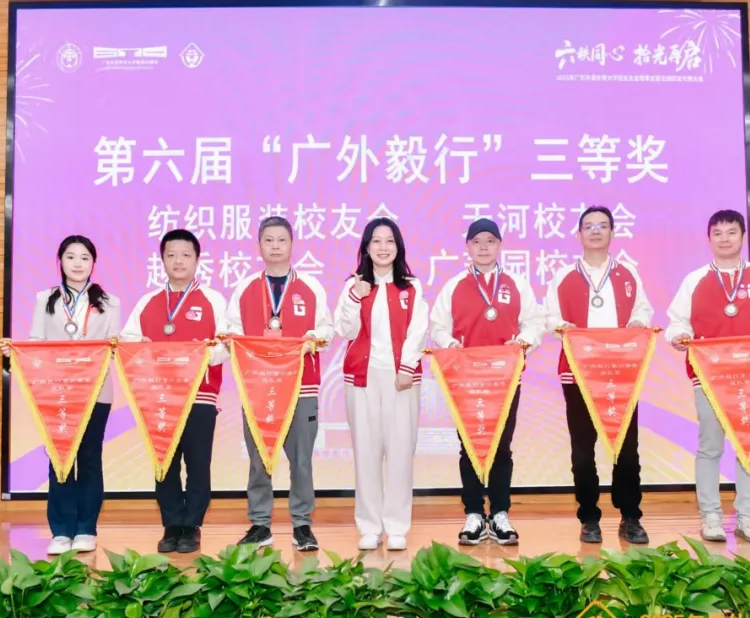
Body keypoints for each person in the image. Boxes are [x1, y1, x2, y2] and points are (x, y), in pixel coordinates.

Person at [666, 209, 750, 543]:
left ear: (743, 236)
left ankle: (746, 517)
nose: (725, 238)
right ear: (709, 239)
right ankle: (711, 516)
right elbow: (677, 321)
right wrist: (679, 336)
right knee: (710, 447)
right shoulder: (695, 279)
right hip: (708, 376)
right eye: (718, 233)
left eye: (731, 232)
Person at [0, 235, 121, 555]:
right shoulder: (45, 299)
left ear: (93, 263)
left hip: (96, 392)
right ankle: (62, 531)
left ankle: (86, 529)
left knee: (89, 459)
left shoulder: (110, 302)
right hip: (57, 394)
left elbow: (114, 345)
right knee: (59, 459)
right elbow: (36, 343)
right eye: (71, 257)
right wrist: (15, 351)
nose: (78, 263)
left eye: (84, 258)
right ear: (60, 261)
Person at [429, 218, 545, 546]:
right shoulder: (454, 286)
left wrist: (523, 341)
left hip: (505, 380)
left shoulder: (516, 284)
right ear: (467, 246)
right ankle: (473, 514)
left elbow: (534, 322)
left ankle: (500, 513)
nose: (483, 247)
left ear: (500, 245)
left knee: (502, 447)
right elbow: (438, 325)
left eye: (490, 241)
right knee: (468, 446)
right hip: (466, 381)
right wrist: (449, 344)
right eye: (477, 241)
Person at [544, 206, 653, 545]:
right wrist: (563, 327)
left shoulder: (628, 274)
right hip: (578, 374)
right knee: (582, 451)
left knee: (627, 450)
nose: (595, 231)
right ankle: (589, 517)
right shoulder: (563, 276)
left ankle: (630, 516)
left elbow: (643, 311)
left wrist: (637, 323)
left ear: (612, 233)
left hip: (621, 375)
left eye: (602, 226)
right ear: (579, 234)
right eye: (588, 226)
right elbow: (550, 318)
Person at [226, 216, 335, 552]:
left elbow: (327, 329)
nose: (275, 246)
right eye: (268, 240)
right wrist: (234, 341)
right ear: (259, 245)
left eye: (281, 240)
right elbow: (231, 330)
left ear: (292, 244)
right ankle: (260, 524)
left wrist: (312, 338)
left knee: (301, 460)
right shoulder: (245, 288)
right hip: (258, 388)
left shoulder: (311, 287)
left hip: (301, 387)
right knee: (259, 458)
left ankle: (302, 525)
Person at [120, 229, 229, 554]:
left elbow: (226, 345)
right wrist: (145, 350)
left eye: (185, 255)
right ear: (162, 260)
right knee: (164, 463)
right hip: (159, 398)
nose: (178, 261)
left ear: (197, 260)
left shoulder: (213, 300)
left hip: (200, 396)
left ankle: (191, 526)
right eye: (171, 255)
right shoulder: (147, 302)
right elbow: (127, 342)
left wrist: (194, 356)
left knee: (198, 464)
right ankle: (171, 525)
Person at [334, 218, 428, 551]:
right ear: (366, 247)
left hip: (402, 379)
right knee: (366, 452)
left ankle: (398, 526)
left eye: (389, 241)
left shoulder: (411, 287)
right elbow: (344, 330)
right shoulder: (354, 285)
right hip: (362, 378)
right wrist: (355, 298)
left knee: (401, 452)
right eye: (376, 241)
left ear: (398, 247)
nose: (383, 247)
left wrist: (406, 367)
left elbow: (419, 330)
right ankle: (370, 526)